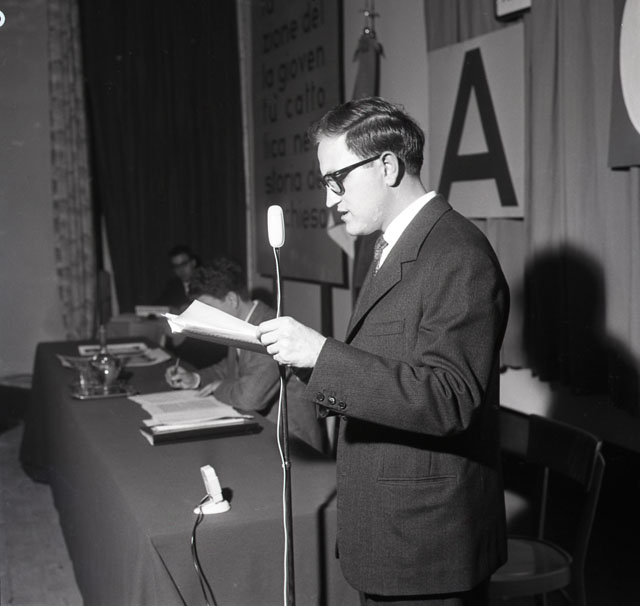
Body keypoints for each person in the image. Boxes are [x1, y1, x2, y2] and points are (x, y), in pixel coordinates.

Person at [258, 97, 510, 605]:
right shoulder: (395, 245)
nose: (329, 199)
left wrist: (323, 356)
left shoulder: (457, 253)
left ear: (388, 166)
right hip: (390, 534)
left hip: (428, 549)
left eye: (337, 180)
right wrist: (310, 365)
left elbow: (450, 399)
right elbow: (390, 366)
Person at [165, 256, 327, 453]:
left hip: (292, 447)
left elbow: (249, 398)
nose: (203, 318)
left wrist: (218, 388)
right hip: (263, 433)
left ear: (232, 299)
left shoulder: (270, 330)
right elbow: (231, 366)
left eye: (207, 309)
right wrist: (195, 378)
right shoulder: (244, 322)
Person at [155, 244, 199, 313]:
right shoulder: (173, 285)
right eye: (176, 266)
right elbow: (157, 306)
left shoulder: (206, 283)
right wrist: (168, 309)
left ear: (193, 263)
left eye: (184, 264)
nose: (181, 270)